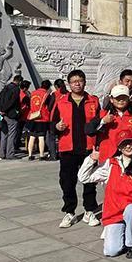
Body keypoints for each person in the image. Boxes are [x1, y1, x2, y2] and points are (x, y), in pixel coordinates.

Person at [78, 130, 132, 259]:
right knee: (111, 251)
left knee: (131, 210)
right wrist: (91, 159)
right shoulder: (111, 164)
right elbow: (83, 177)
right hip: (114, 214)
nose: (128, 146)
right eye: (124, 144)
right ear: (119, 148)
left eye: (130, 142)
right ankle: (123, 232)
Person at [51, 69, 101, 228]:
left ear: (85, 82)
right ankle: (70, 212)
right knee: (67, 181)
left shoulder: (94, 101)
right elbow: (52, 124)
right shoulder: (61, 101)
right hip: (68, 148)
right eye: (74, 81)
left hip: (88, 148)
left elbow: (100, 125)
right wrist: (57, 126)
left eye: (80, 81)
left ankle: (89, 210)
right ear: (69, 84)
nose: (77, 84)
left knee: (90, 181)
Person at [92, 85, 132, 164]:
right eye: (118, 98)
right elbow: (88, 130)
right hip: (107, 157)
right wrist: (103, 121)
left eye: (124, 98)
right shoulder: (103, 114)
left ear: (129, 99)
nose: (121, 101)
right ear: (111, 99)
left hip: (128, 156)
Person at [0, 75, 23, 160]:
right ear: (19, 82)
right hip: (10, 114)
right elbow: (12, 101)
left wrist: (0, 110)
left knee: (4, 134)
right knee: (11, 134)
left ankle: (2, 154)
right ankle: (10, 154)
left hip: (2, 114)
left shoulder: (5, 87)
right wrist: (5, 110)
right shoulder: (15, 89)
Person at [26, 80, 52, 161]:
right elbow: (49, 106)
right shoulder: (46, 95)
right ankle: (41, 155)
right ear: (48, 87)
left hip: (33, 117)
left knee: (32, 137)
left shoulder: (33, 93)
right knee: (41, 137)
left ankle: (30, 155)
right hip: (42, 118)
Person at [46, 79, 68, 161]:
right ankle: (62, 153)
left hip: (54, 118)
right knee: (61, 137)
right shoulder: (67, 93)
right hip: (64, 117)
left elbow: (50, 107)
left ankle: (53, 155)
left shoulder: (55, 94)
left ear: (56, 86)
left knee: (51, 137)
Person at [17, 80, 32, 152]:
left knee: (19, 131)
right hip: (22, 116)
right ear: (25, 88)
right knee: (19, 131)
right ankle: (16, 146)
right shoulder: (23, 95)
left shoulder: (19, 92)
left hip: (22, 116)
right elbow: (23, 106)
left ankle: (16, 145)